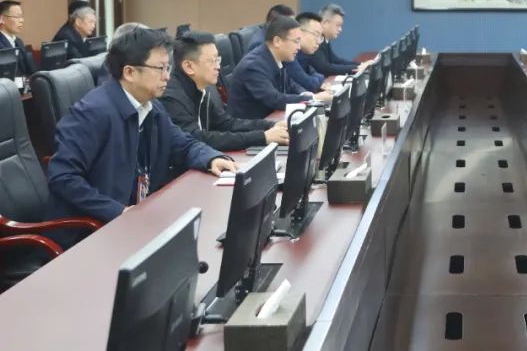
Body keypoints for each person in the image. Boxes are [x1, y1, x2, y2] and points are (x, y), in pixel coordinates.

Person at [46, 28, 237, 244]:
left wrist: (211, 158)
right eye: (160, 68)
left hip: (138, 221)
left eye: (168, 67)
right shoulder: (92, 113)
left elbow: (182, 143)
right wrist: (118, 211)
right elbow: (63, 178)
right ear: (129, 72)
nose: (167, 76)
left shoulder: (150, 106)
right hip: (91, 233)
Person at [161, 31, 289, 152]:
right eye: (212, 61)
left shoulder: (201, 88)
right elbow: (198, 139)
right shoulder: (172, 98)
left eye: (218, 60)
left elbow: (226, 123)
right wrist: (262, 137)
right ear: (189, 66)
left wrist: (270, 125)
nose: (218, 67)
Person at [228, 15, 332, 119]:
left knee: (322, 115)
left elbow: (290, 84)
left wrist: (305, 93)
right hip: (253, 124)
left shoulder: (278, 58)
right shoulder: (253, 66)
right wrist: (313, 98)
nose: (299, 47)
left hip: (272, 118)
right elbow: (275, 99)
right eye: (296, 41)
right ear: (277, 41)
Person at [302, 3, 360, 76]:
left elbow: (336, 61)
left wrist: (361, 65)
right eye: (338, 25)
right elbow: (325, 68)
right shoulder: (316, 41)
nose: (340, 29)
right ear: (325, 23)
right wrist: (358, 68)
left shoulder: (325, 39)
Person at [288, 12, 331, 91]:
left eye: (320, 37)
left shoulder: (305, 54)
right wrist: (317, 81)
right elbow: (310, 84)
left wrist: (316, 80)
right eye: (316, 35)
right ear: (299, 32)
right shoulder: (289, 56)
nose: (319, 42)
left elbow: (320, 76)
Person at [0, 0, 36, 76]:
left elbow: (30, 69)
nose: (22, 20)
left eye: (21, 16)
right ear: (2, 19)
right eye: (17, 17)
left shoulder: (18, 41)